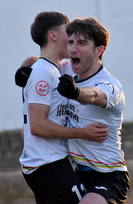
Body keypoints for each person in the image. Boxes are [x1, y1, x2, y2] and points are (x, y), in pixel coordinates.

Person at [20, 11, 108, 204]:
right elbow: (38, 126)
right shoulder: (43, 73)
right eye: (67, 31)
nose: (71, 37)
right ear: (53, 36)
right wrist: (82, 132)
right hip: (46, 163)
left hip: (50, 161)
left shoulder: (53, 67)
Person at [56, 17, 130, 204]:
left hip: (109, 175)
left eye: (82, 43)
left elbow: (97, 96)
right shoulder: (67, 68)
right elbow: (43, 60)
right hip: (76, 173)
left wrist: (76, 92)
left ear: (99, 50)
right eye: (71, 42)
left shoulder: (110, 84)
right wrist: (27, 69)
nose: (73, 49)